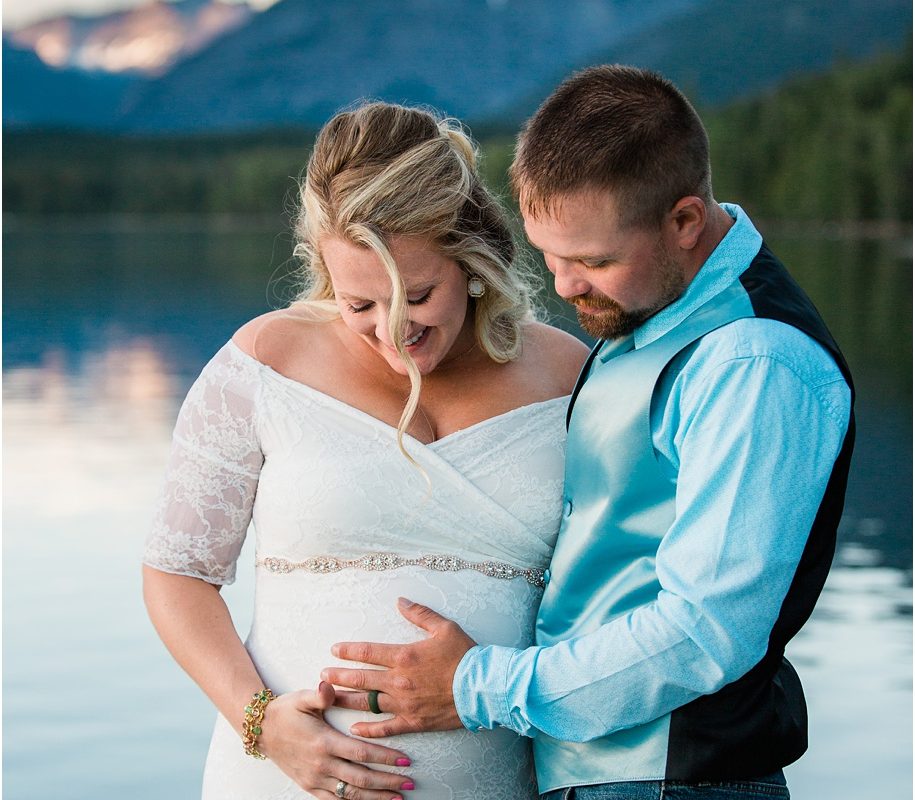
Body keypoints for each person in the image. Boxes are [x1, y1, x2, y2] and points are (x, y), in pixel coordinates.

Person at [320, 66, 856, 799]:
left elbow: (705, 630)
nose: (566, 287)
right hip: (597, 774)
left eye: (593, 261)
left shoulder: (752, 360)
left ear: (684, 221)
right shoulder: (649, 307)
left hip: (675, 782)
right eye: (550, 255)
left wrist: (478, 687)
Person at [142, 101, 589, 799]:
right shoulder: (267, 362)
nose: (391, 331)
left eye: (417, 294)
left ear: (469, 259)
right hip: (283, 781)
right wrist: (258, 721)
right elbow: (176, 575)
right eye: (359, 305)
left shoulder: (567, 377)